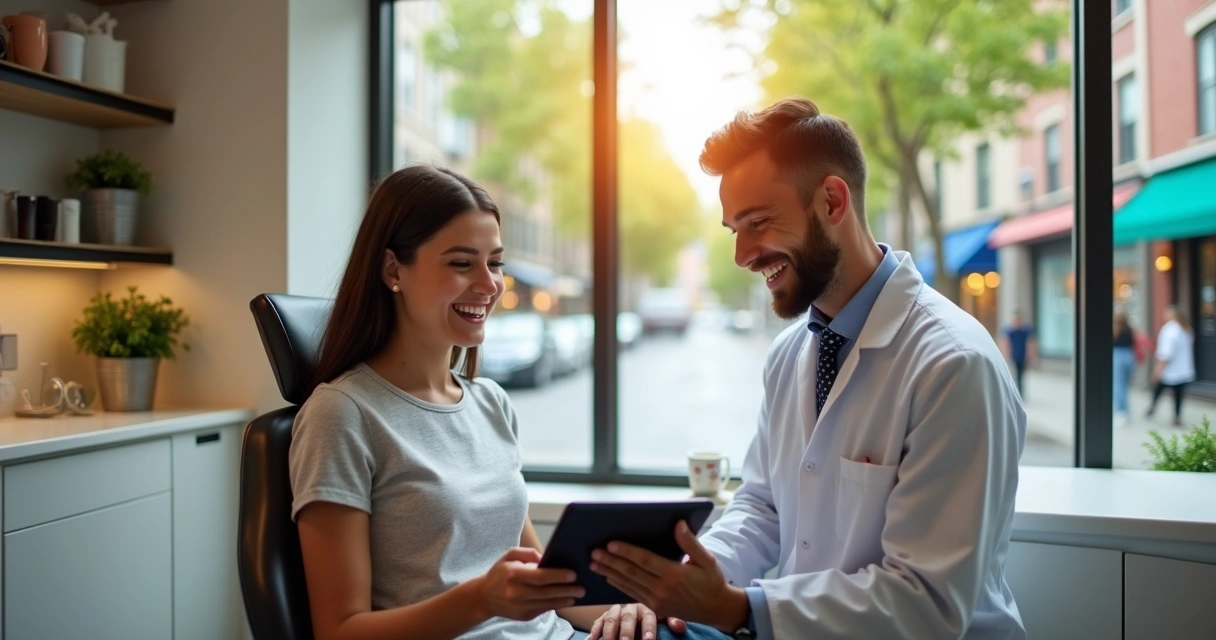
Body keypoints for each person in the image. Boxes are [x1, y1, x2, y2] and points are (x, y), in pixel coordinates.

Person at [590, 97, 1026, 639]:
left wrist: (735, 609)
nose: (743, 255)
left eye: (759, 223)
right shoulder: (791, 352)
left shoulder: (953, 364)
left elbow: (925, 604)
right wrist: (675, 590)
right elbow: (762, 506)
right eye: (734, 230)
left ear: (833, 201)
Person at [289, 165, 704, 640]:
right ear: (392, 270)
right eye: (462, 263)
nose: (489, 285)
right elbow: (339, 631)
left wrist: (622, 614)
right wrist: (480, 599)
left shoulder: (489, 402)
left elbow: (548, 588)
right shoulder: (342, 414)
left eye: (496, 263)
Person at [1145, 305, 1196, 427]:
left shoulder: (1170, 330)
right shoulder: (1186, 329)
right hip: (1183, 368)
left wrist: (1158, 369)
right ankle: (1177, 417)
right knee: (1178, 394)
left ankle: (1152, 408)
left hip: (1170, 369)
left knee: (1158, 389)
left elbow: (1166, 353)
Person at [1001, 310, 1036, 398]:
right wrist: (1006, 356)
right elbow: (1006, 343)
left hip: (1022, 356)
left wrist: (1030, 356)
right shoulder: (1009, 330)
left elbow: (1030, 343)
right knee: (1014, 375)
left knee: (1020, 375)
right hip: (1014, 356)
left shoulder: (1026, 330)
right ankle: (1015, 393)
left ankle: (1020, 393)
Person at [1112, 311, 1137, 424]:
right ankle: (1125, 410)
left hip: (1118, 356)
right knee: (1124, 385)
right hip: (1129, 356)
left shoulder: (1116, 329)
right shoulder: (1130, 329)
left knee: (1118, 385)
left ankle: (1121, 411)